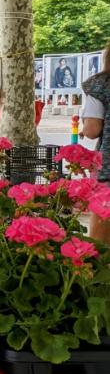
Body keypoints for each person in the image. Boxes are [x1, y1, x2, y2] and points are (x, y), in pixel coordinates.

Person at [82, 45, 110, 244]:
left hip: (108, 166)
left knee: (100, 237)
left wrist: (85, 125)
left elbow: (92, 130)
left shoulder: (101, 84)